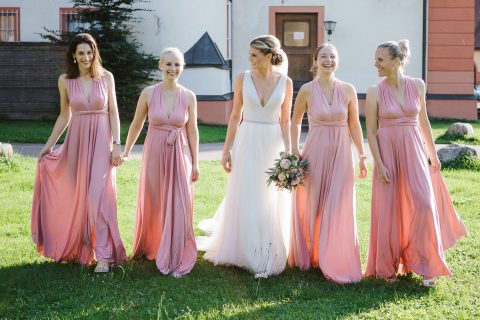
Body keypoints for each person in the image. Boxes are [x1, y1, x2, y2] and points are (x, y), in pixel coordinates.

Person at [365, 40, 467, 286]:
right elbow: (370, 131)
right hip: (387, 152)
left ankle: (426, 264)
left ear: (396, 61)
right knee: (389, 209)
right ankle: (388, 267)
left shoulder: (417, 85)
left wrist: (433, 154)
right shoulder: (374, 91)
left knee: (423, 203)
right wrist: (379, 164)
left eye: (380, 59)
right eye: (376, 58)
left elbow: (424, 122)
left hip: (414, 150)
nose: (375, 63)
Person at [198, 35, 293, 278]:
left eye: (254, 54)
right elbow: (234, 116)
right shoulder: (242, 79)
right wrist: (226, 148)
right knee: (248, 192)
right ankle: (248, 252)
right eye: (249, 54)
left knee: (269, 195)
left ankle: (268, 249)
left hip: (273, 142)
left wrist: (289, 152)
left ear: (269, 56)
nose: (249, 58)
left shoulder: (286, 82)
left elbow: (285, 120)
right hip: (248, 139)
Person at [31, 33, 127, 272]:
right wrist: (48, 145)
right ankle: (82, 247)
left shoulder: (106, 77)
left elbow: (113, 112)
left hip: (102, 143)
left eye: (90, 52)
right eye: (81, 53)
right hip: (76, 142)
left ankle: (104, 256)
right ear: (73, 56)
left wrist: (117, 143)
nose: (86, 57)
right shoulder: (65, 81)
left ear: (95, 53)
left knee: (98, 198)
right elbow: (65, 115)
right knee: (79, 198)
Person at [288, 43, 367, 284]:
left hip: (342, 153)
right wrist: (293, 151)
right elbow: (294, 122)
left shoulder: (349, 89)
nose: (328, 60)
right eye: (324, 56)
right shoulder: (307, 91)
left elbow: (354, 124)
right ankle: (313, 255)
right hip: (315, 152)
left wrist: (362, 155)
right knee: (315, 203)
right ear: (315, 61)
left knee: (340, 204)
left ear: (338, 61)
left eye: (333, 56)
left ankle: (336, 257)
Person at [122, 47, 199, 277]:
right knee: (154, 199)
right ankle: (154, 245)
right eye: (168, 64)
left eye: (177, 65)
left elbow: (192, 130)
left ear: (182, 67)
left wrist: (195, 162)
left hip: (180, 151)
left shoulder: (188, 96)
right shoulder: (148, 93)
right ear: (160, 65)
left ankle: (176, 251)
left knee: (179, 200)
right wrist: (126, 151)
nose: (172, 69)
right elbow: (137, 124)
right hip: (154, 150)